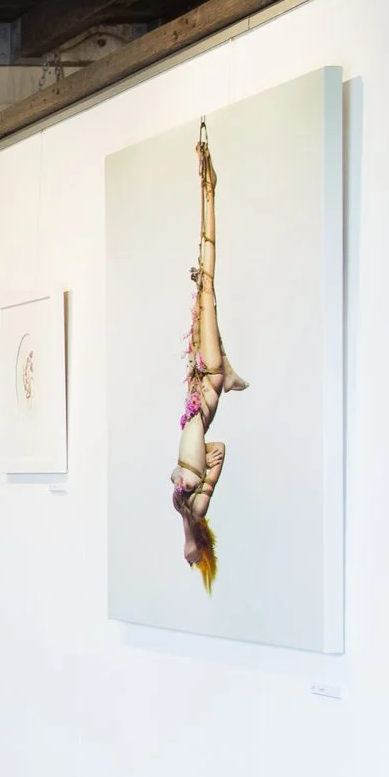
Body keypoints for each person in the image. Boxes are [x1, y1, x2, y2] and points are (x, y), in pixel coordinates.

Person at [171, 122, 248, 590]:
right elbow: (213, 451)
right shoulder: (195, 507)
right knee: (208, 283)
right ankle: (208, 190)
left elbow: (219, 448)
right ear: (201, 545)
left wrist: (197, 472)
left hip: (204, 393)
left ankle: (207, 189)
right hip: (208, 382)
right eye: (195, 557)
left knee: (205, 284)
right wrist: (195, 481)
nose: (189, 556)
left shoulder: (190, 505)